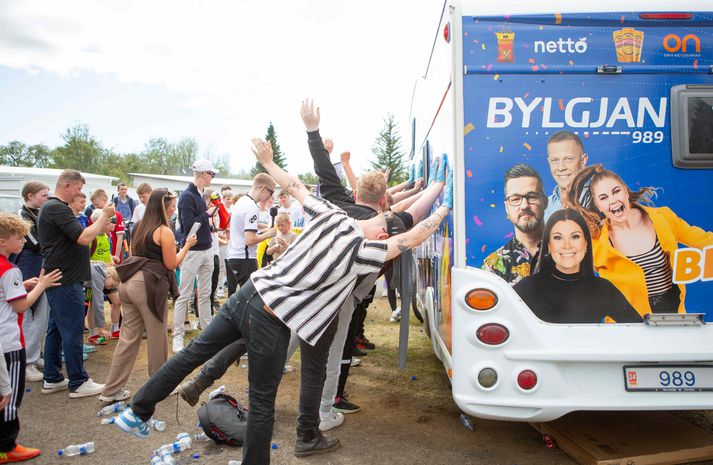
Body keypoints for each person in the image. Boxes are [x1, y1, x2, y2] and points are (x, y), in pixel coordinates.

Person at [114, 135, 452, 465]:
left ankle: (137, 411)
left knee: (192, 354)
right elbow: (411, 237)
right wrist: (444, 208)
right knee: (262, 402)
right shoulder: (363, 251)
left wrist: (268, 162)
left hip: (247, 295)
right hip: (270, 316)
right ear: (381, 233)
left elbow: (294, 185)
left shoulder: (332, 214)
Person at [299, 98, 444, 428]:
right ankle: (327, 407)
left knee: (296, 336)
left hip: (311, 291)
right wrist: (438, 189)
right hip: (342, 298)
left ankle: (276, 375)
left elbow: (324, 170)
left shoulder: (337, 201)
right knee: (335, 351)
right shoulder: (382, 225)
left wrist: (312, 132)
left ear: (354, 193)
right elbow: (415, 214)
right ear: (383, 201)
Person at [568, 164, 713, 316]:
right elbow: (570, 269)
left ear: (625, 190)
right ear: (598, 205)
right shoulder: (596, 242)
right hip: (628, 320)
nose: (612, 201)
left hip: (673, 311)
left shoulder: (663, 217)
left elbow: (703, 240)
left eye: (616, 191)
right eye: (604, 198)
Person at [100, 190, 197, 403]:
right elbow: (171, 264)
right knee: (157, 338)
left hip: (128, 283)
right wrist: (187, 246)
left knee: (127, 339)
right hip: (148, 285)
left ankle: (111, 390)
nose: (174, 210)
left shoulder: (140, 226)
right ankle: (160, 385)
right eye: (171, 206)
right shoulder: (164, 231)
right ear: (163, 207)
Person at [38, 169, 115, 398]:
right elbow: (82, 237)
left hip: (63, 278)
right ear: (68, 185)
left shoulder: (54, 208)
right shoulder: (56, 208)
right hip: (66, 280)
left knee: (56, 330)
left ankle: (52, 377)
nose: (80, 193)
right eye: (79, 189)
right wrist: (103, 216)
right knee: (71, 330)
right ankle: (78, 381)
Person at [0, 212, 62, 463]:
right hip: (9, 342)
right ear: (3, 241)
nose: (24, 241)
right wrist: (41, 285)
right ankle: (6, 445)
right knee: (10, 395)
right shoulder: (9, 270)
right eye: (19, 237)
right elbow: (21, 306)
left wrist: (22, 284)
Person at [513, 209, 642, 323]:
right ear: (548, 245)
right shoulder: (528, 287)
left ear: (586, 243)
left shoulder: (603, 288)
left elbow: (638, 331)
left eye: (575, 237)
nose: (567, 245)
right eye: (558, 238)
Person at [172, 159, 218, 353]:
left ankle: (206, 330)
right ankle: (178, 335)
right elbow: (187, 225)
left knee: (205, 294)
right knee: (185, 294)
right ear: (202, 174)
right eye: (210, 174)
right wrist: (207, 215)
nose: (211, 178)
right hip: (192, 251)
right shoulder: (187, 197)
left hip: (206, 249)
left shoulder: (197, 195)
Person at [482, 163, 548, 285]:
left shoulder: (568, 252)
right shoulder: (493, 266)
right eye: (515, 199)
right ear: (507, 208)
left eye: (532, 196)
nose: (524, 206)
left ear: (545, 202)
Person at [12, 181, 50, 383]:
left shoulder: (37, 214)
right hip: (27, 267)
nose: (46, 199)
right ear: (30, 196)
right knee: (28, 315)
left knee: (41, 315)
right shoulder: (22, 215)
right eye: (43, 195)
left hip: (39, 266)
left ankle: (35, 355)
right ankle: (26, 362)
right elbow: (35, 243)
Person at [225, 174, 276, 297]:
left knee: (242, 298)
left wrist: (262, 231)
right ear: (263, 188)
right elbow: (250, 239)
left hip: (235, 255)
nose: (271, 196)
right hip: (245, 258)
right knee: (251, 299)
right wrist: (269, 234)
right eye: (271, 192)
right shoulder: (252, 206)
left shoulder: (242, 201)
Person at [85, 208, 121, 344]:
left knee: (117, 301)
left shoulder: (106, 236)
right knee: (93, 305)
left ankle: (115, 328)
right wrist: (101, 264)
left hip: (109, 276)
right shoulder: (90, 237)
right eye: (108, 223)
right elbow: (85, 258)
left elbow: (103, 252)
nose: (111, 225)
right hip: (94, 277)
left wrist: (111, 258)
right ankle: (93, 333)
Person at [544, 131, 591, 220]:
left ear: (583, 161)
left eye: (568, 159)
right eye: (555, 160)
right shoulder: (544, 209)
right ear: (549, 162)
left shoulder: (600, 201)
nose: (561, 167)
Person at [88, 189, 126, 268]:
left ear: (105, 200)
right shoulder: (94, 216)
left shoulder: (116, 215)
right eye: (93, 205)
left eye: (97, 204)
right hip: (98, 261)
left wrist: (116, 256)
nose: (95, 207)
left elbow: (120, 238)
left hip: (112, 257)